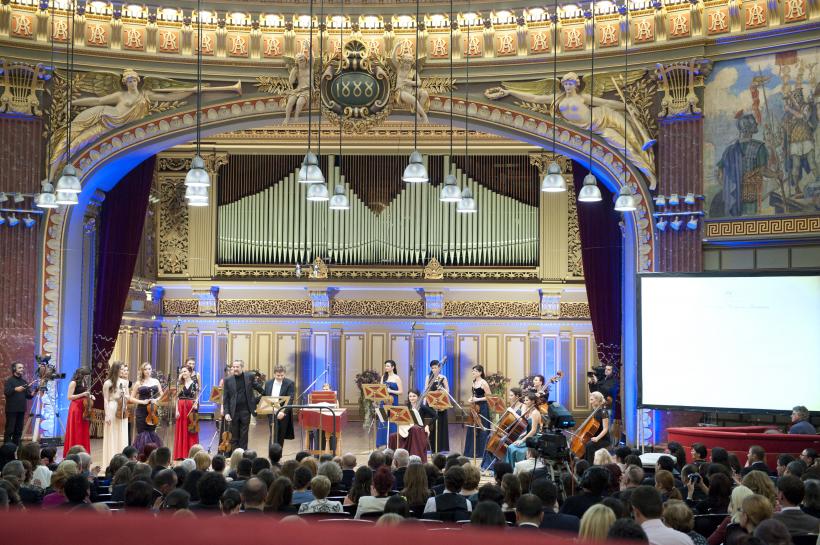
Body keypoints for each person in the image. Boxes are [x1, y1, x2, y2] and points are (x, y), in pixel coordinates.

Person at [222, 360, 264, 451]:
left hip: (246, 410)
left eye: (237, 367)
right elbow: (226, 399)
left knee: (244, 435)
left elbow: (259, 388)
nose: (235, 369)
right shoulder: (227, 380)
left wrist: (265, 395)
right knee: (234, 436)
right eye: (234, 367)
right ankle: (235, 456)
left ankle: (243, 455)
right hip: (233, 411)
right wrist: (226, 412)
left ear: (242, 367)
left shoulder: (249, 376)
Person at [101, 362, 135, 466]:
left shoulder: (125, 382)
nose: (123, 371)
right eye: (121, 369)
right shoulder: (108, 383)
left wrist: (126, 396)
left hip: (122, 408)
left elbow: (129, 396)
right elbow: (106, 399)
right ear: (116, 369)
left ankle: (122, 461)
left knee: (122, 432)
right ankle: (110, 461)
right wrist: (106, 415)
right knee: (112, 433)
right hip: (112, 407)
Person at [392, 390, 434, 460]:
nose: (412, 398)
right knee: (392, 436)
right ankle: (399, 458)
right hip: (408, 429)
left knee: (414, 429)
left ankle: (413, 457)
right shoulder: (407, 407)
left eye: (414, 396)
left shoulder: (422, 407)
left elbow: (435, 415)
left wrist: (427, 425)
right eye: (410, 396)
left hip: (419, 430)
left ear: (418, 397)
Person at [131, 362, 164, 450]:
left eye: (149, 369)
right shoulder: (138, 383)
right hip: (141, 411)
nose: (147, 371)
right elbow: (131, 398)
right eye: (145, 369)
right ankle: (142, 454)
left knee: (151, 431)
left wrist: (156, 399)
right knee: (142, 433)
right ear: (142, 371)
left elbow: (162, 395)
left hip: (153, 410)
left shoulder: (156, 381)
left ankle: (152, 454)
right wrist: (142, 402)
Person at [63, 367, 93, 456]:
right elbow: (69, 397)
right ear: (81, 375)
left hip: (83, 408)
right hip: (76, 408)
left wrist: (90, 396)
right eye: (86, 375)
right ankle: (74, 453)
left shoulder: (84, 383)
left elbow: (84, 395)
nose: (87, 377)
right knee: (77, 430)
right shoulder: (73, 382)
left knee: (83, 430)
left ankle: (83, 453)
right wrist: (83, 394)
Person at [505, 394, 542, 466]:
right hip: (527, 437)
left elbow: (533, 430)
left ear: (533, 401)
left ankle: (518, 470)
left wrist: (522, 440)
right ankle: (512, 471)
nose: (524, 402)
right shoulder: (529, 411)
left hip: (533, 439)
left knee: (515, 449)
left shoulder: (535, 413)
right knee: (510, 447)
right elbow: (525, 423)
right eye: (524, 400)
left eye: (527, 400)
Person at [263, 365, 295, 446]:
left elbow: (290, 399)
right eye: (278, 375)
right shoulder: (268, 383)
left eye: (282, 375)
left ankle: (278, 456)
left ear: (284, 374)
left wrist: (283, 412)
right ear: (274, 374)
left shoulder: (289, 383)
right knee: (273, 434)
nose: (280, 377)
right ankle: (271, 455)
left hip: (282, 413)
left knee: (280, 436)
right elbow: (265, 396)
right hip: (271, 412)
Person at [3, 362, 34, 446]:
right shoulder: (9, 380)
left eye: (22, 368)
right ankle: (7, 448)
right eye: (20, 368)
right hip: (11, 410)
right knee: (10, 430)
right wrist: (15, 389)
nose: (22, 369)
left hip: (21, 409)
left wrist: (35, 391)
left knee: (19, 430)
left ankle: (16, 447)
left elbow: (28, 396)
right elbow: (7, 392)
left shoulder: (24, 381)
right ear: (14, 369)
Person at [466, 365, 491, 463]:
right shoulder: (473, 382)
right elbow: (473, 394)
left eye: (475, 371)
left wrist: (478, 399)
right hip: (475, 407)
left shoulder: (483, 382)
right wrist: (471, 398)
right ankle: (471, 452)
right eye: (473, 371)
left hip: (483, 407)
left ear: (480, 372)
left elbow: (489, 396)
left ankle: (481, 453)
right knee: (473, 427)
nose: (473, 373)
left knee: (482, 427)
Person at [173, 366, 199, 460]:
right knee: (181, 429)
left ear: (190, 372)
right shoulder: (179, 384)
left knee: (191, 429)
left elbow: (196, 396)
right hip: (181, 407)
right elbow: (176, 398)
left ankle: (191, 453)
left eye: (185, 371)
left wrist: (196, 403)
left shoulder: (194, 383)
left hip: (190, 407)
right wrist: (176, 410)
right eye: (182, 372)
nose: (183, 373)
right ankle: (181, 454)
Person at [424, 360, 449, 452]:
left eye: (436, 367)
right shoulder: (428, 377)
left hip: (441, 403)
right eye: (432, 368)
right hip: (431, 403)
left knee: (441, 424)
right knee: (432, 425)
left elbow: (447, 390)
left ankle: (440, 447)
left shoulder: (443, 377)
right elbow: (426, 391)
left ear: (439, 368)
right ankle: (431, 447)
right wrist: (426, 402)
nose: (434, 369)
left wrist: (441, 390)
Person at [376, 360, 403, 447]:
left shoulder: (397, 378)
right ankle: (382, 443)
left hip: (393, 401)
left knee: (393, 422)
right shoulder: (383, 377)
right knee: (382, 421)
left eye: (388, 366)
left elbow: (401, 391)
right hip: (384, 401)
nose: (386, 367)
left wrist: (391, 390)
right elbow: (381, 389)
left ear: (393, 367)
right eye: (385, 366)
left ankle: (392, 443)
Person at [584, 391, 611, 463]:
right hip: (595, 437)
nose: (590, 402)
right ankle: (585, 465)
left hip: (603, 439)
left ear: (598, 400)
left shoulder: (603, 412)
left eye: (592, 400)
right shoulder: (594, 411)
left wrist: (597, 438)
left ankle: (590, 467)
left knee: (589, 445)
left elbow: (605, 429)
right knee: (585, 444)